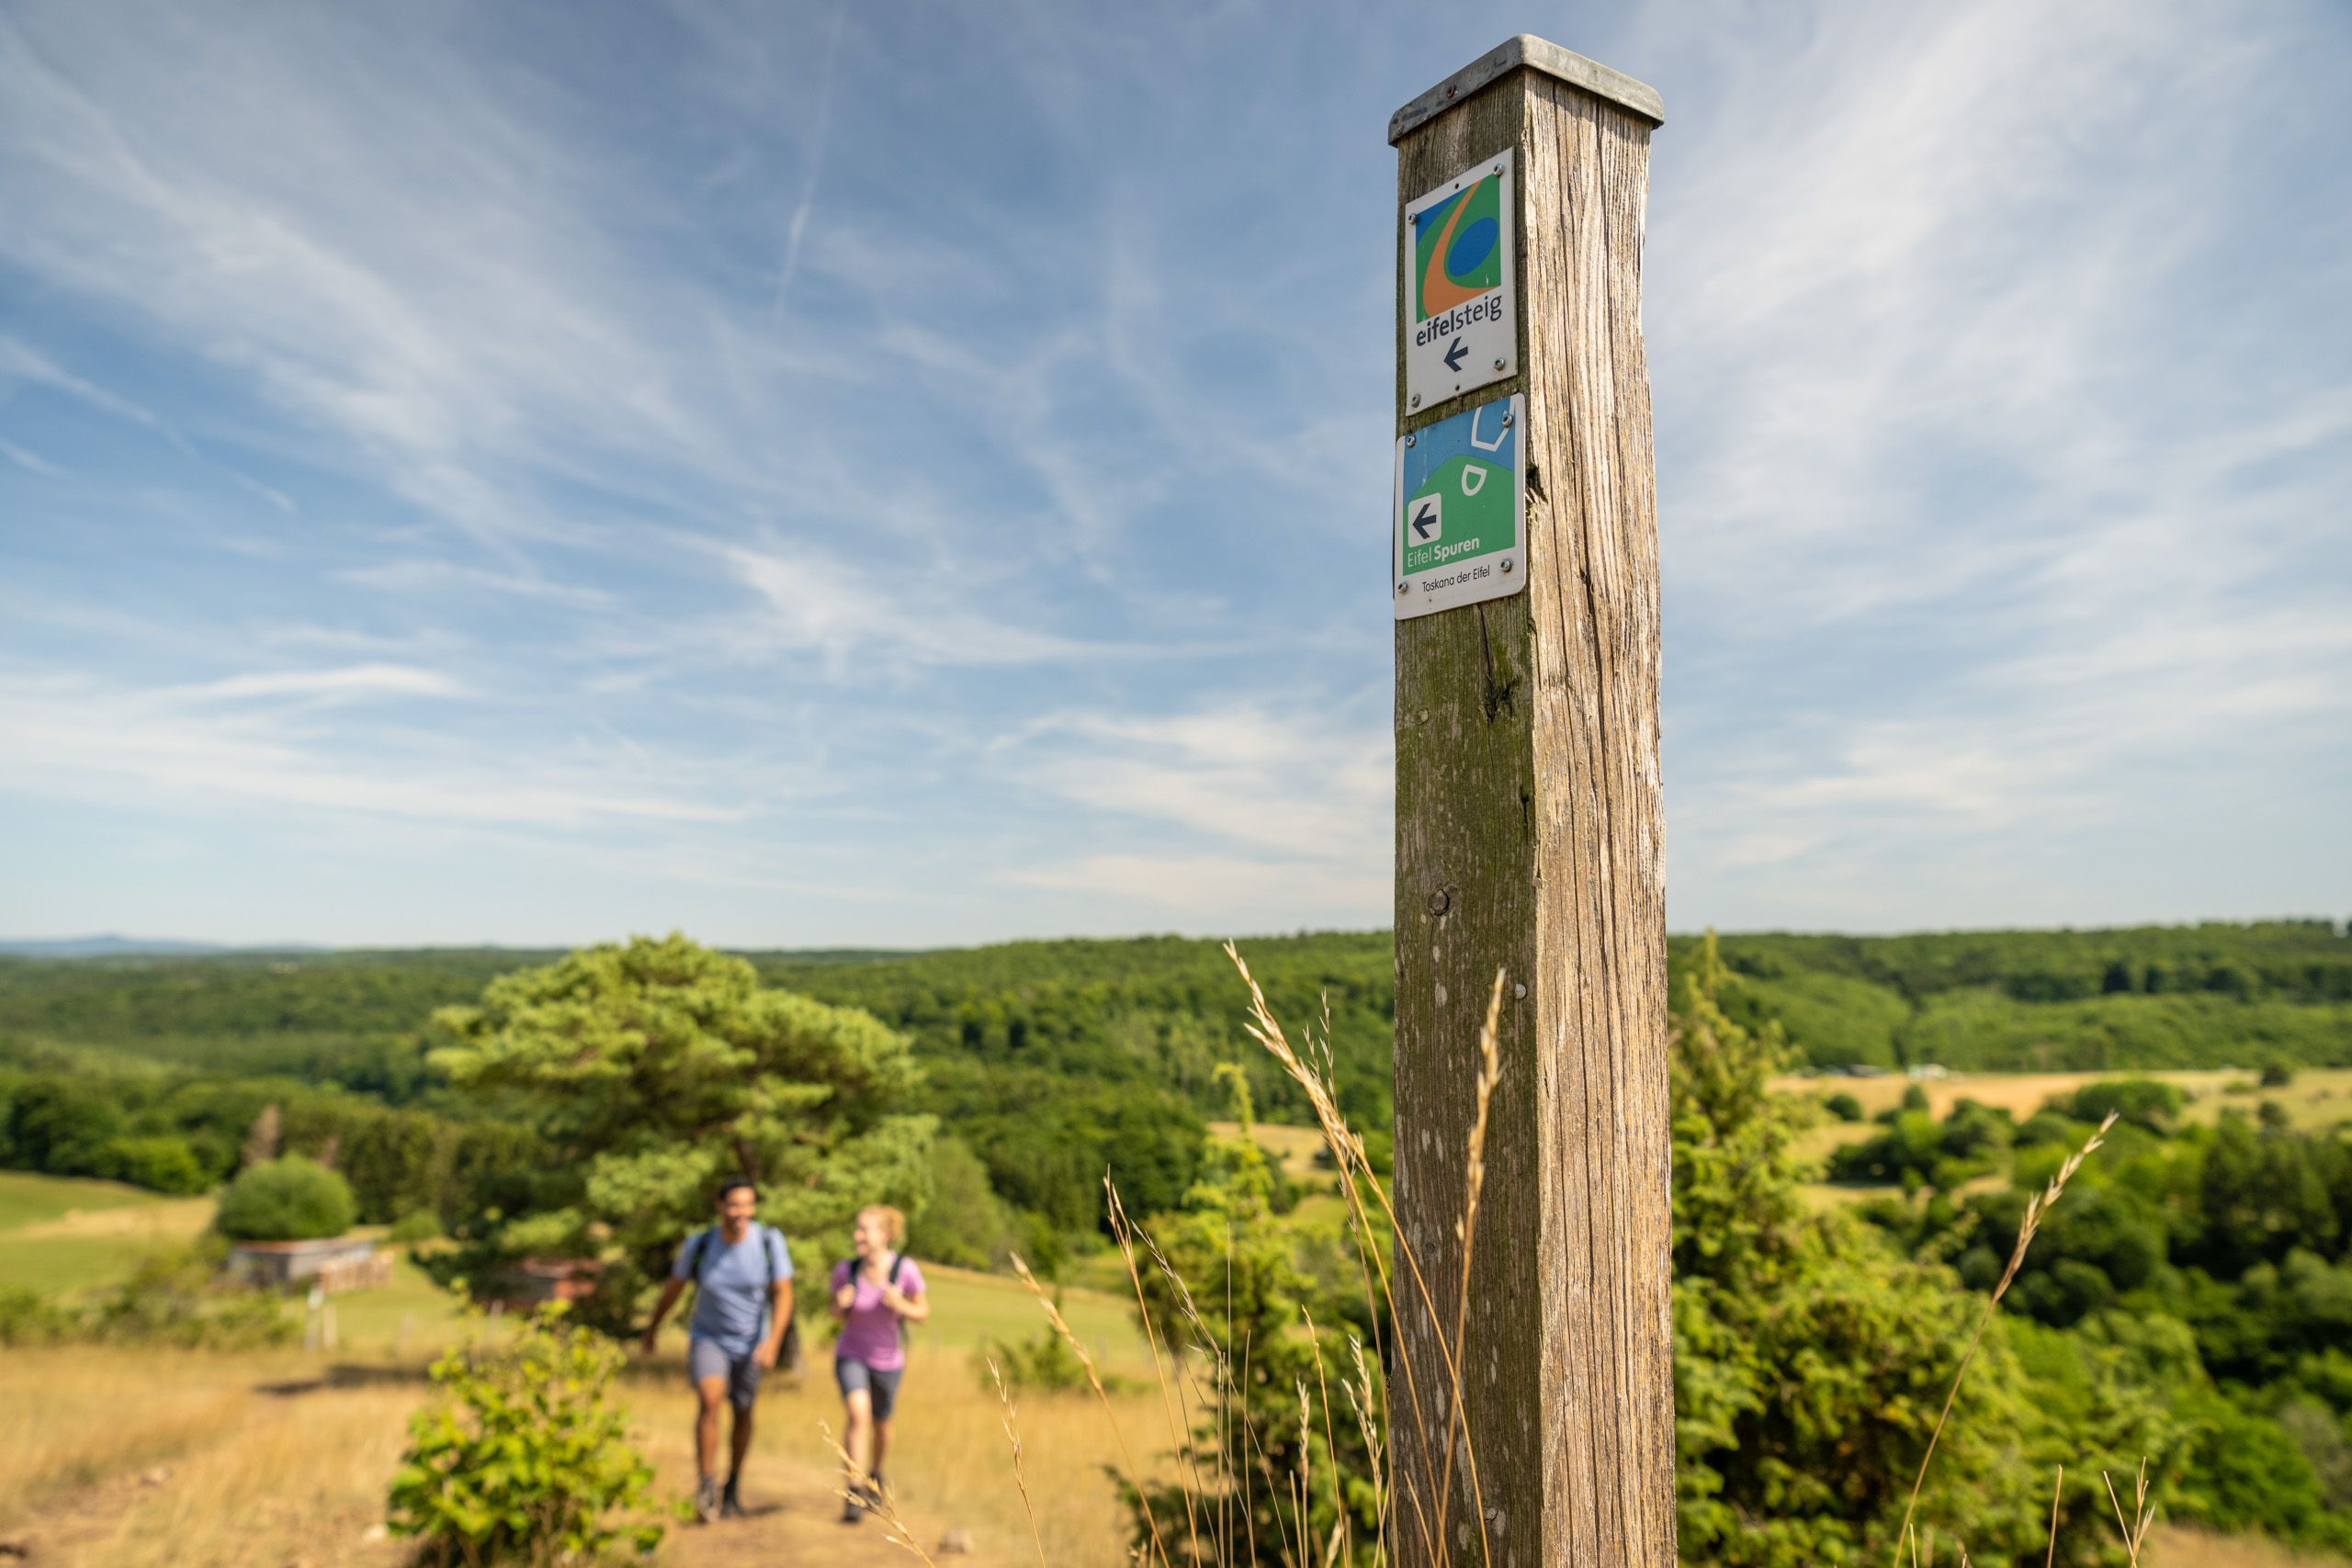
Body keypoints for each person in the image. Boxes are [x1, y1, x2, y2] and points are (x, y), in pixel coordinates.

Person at [640, 1178, 795, 1524]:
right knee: (710, 1400)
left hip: (752, 1342)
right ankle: (706, 1484)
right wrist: (652, 1327)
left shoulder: (769, 1241)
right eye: (735, 1204)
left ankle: (733, 1485)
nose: (742, 1212)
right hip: (708, 1337)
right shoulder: (700, 1244)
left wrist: (773, 1343)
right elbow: (674, 1288)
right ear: (720, 1206)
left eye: (748, 1205)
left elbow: (784, 1293)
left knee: (742, 1411)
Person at [830, 1203, 929, 1522]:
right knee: (858, 1414)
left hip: (888, 1361)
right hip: (851, 1355)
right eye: (857, 1229)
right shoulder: (847, 1271)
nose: (857, 1235)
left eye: (864, 1229)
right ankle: (854, 1490)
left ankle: (876, 1473)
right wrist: (839, 1304)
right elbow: (835, 1312)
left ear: (884, 1235)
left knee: (881, 1423)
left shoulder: (905, 1270)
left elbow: (923, 1312)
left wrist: (900, 1304)